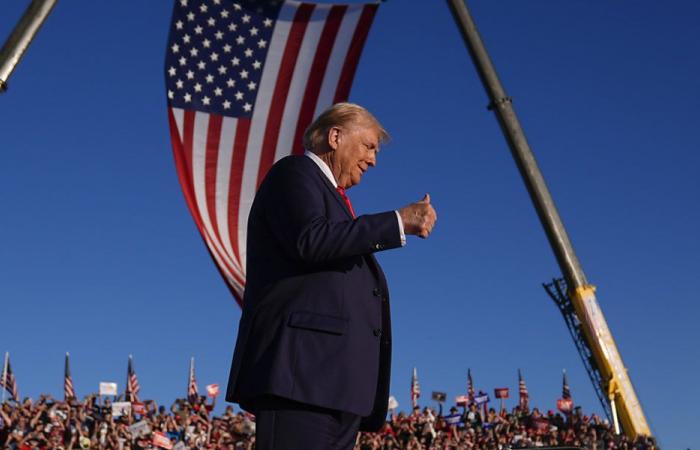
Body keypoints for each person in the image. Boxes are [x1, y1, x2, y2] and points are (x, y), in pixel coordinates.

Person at [225, 102, 437, 449]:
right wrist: (396, 221)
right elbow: (310, 239)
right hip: (301, 377)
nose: (373, 160)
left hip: (338, 386)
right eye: (369, 146)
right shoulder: (293, 173)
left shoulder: (336, 201)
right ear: (335, 136)